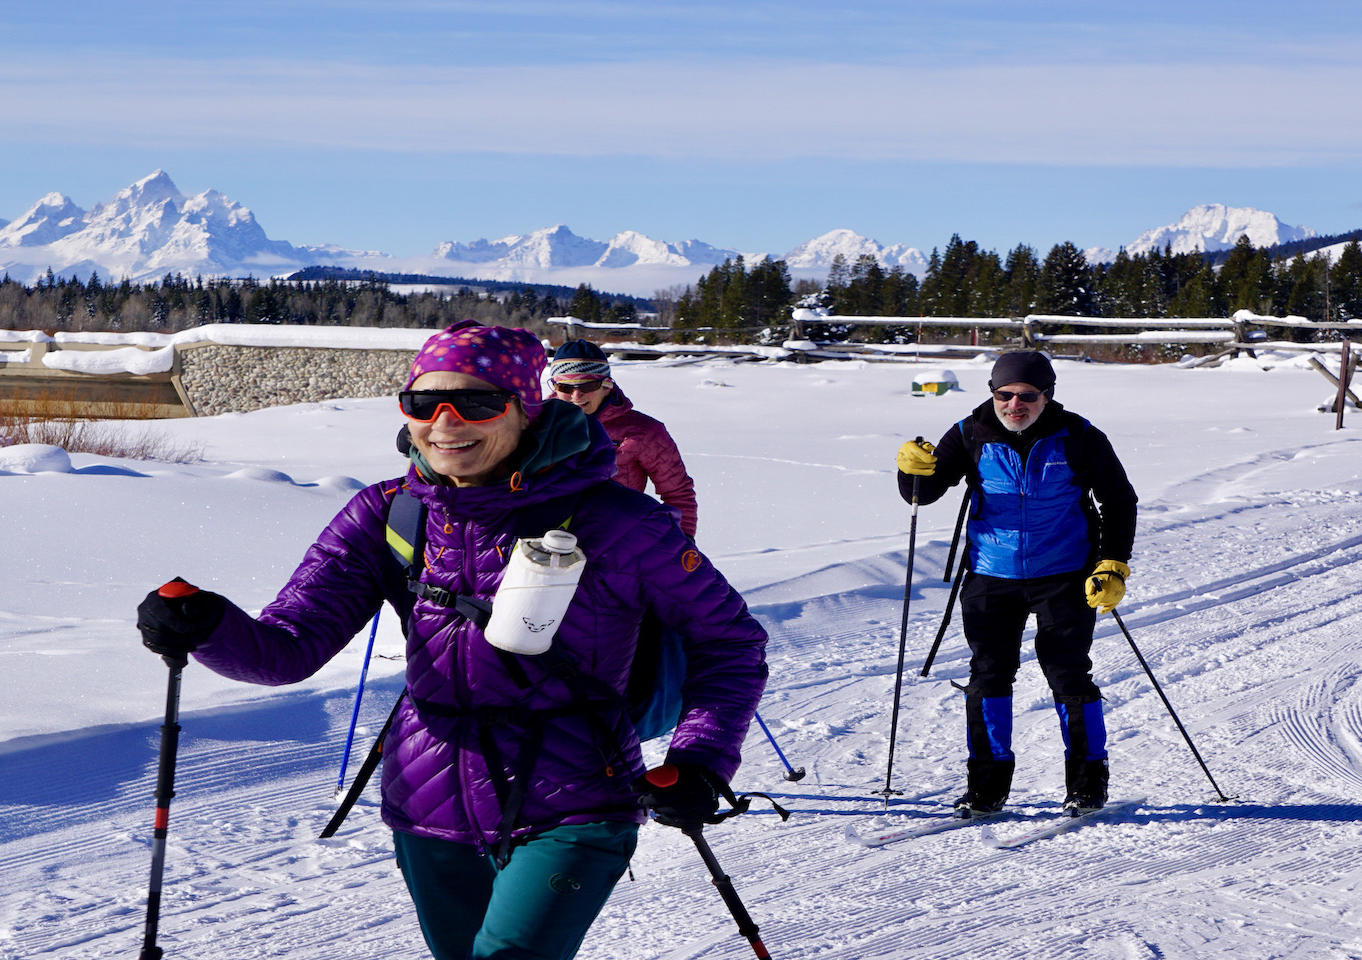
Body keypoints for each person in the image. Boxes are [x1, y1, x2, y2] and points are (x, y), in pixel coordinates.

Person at [134, 321, 769, 960]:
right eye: (422, 402)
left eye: (475, 402)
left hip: (577, 795)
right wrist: (209, 627)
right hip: (428, 800)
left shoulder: (620, 523)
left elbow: (731, 643)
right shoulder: (387, 515)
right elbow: (288, 648)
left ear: (525, 409)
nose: (445, 422)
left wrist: (701, 758)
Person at [894, 351, 1139, 818]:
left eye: (1027, 395)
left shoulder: (1080, 436)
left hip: (1065, 575)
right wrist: (911, 470)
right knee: (987, 676)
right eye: (1003, 394)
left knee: (1068, 675)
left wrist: (1112, 564)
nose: (1014, 404)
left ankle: (1087, 784)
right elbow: (921, 494)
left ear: (1047, 397)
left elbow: (1119, 500)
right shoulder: (970, 433)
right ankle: (986, 787)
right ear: (992, 393)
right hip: (990, 577)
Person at [547, 339, 699, 538]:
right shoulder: (536, 425)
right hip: (546, 544)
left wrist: (682, 541)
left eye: (588, 385)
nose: (576, 395)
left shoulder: (643, 431)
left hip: (616, 542)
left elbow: (678, 493)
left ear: (606, 386)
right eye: (566, 387)